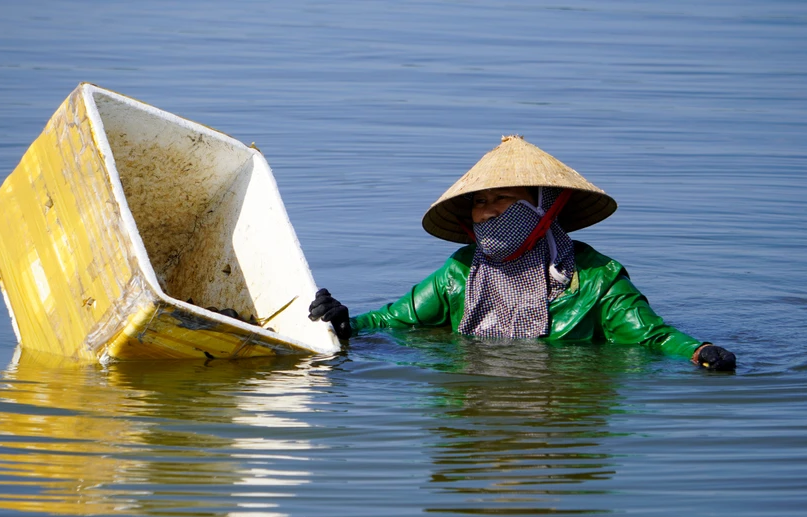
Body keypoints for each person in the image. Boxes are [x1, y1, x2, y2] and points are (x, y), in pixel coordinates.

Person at [308, 135, 737, 371]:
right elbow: (391, 321)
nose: (488, 211)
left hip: (562, 400)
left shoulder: (596, 279)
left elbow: (652, 336)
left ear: (544, 208)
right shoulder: (458, 274)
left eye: (503, 199)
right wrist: (345, 322)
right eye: (480, 202)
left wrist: (698, 351)